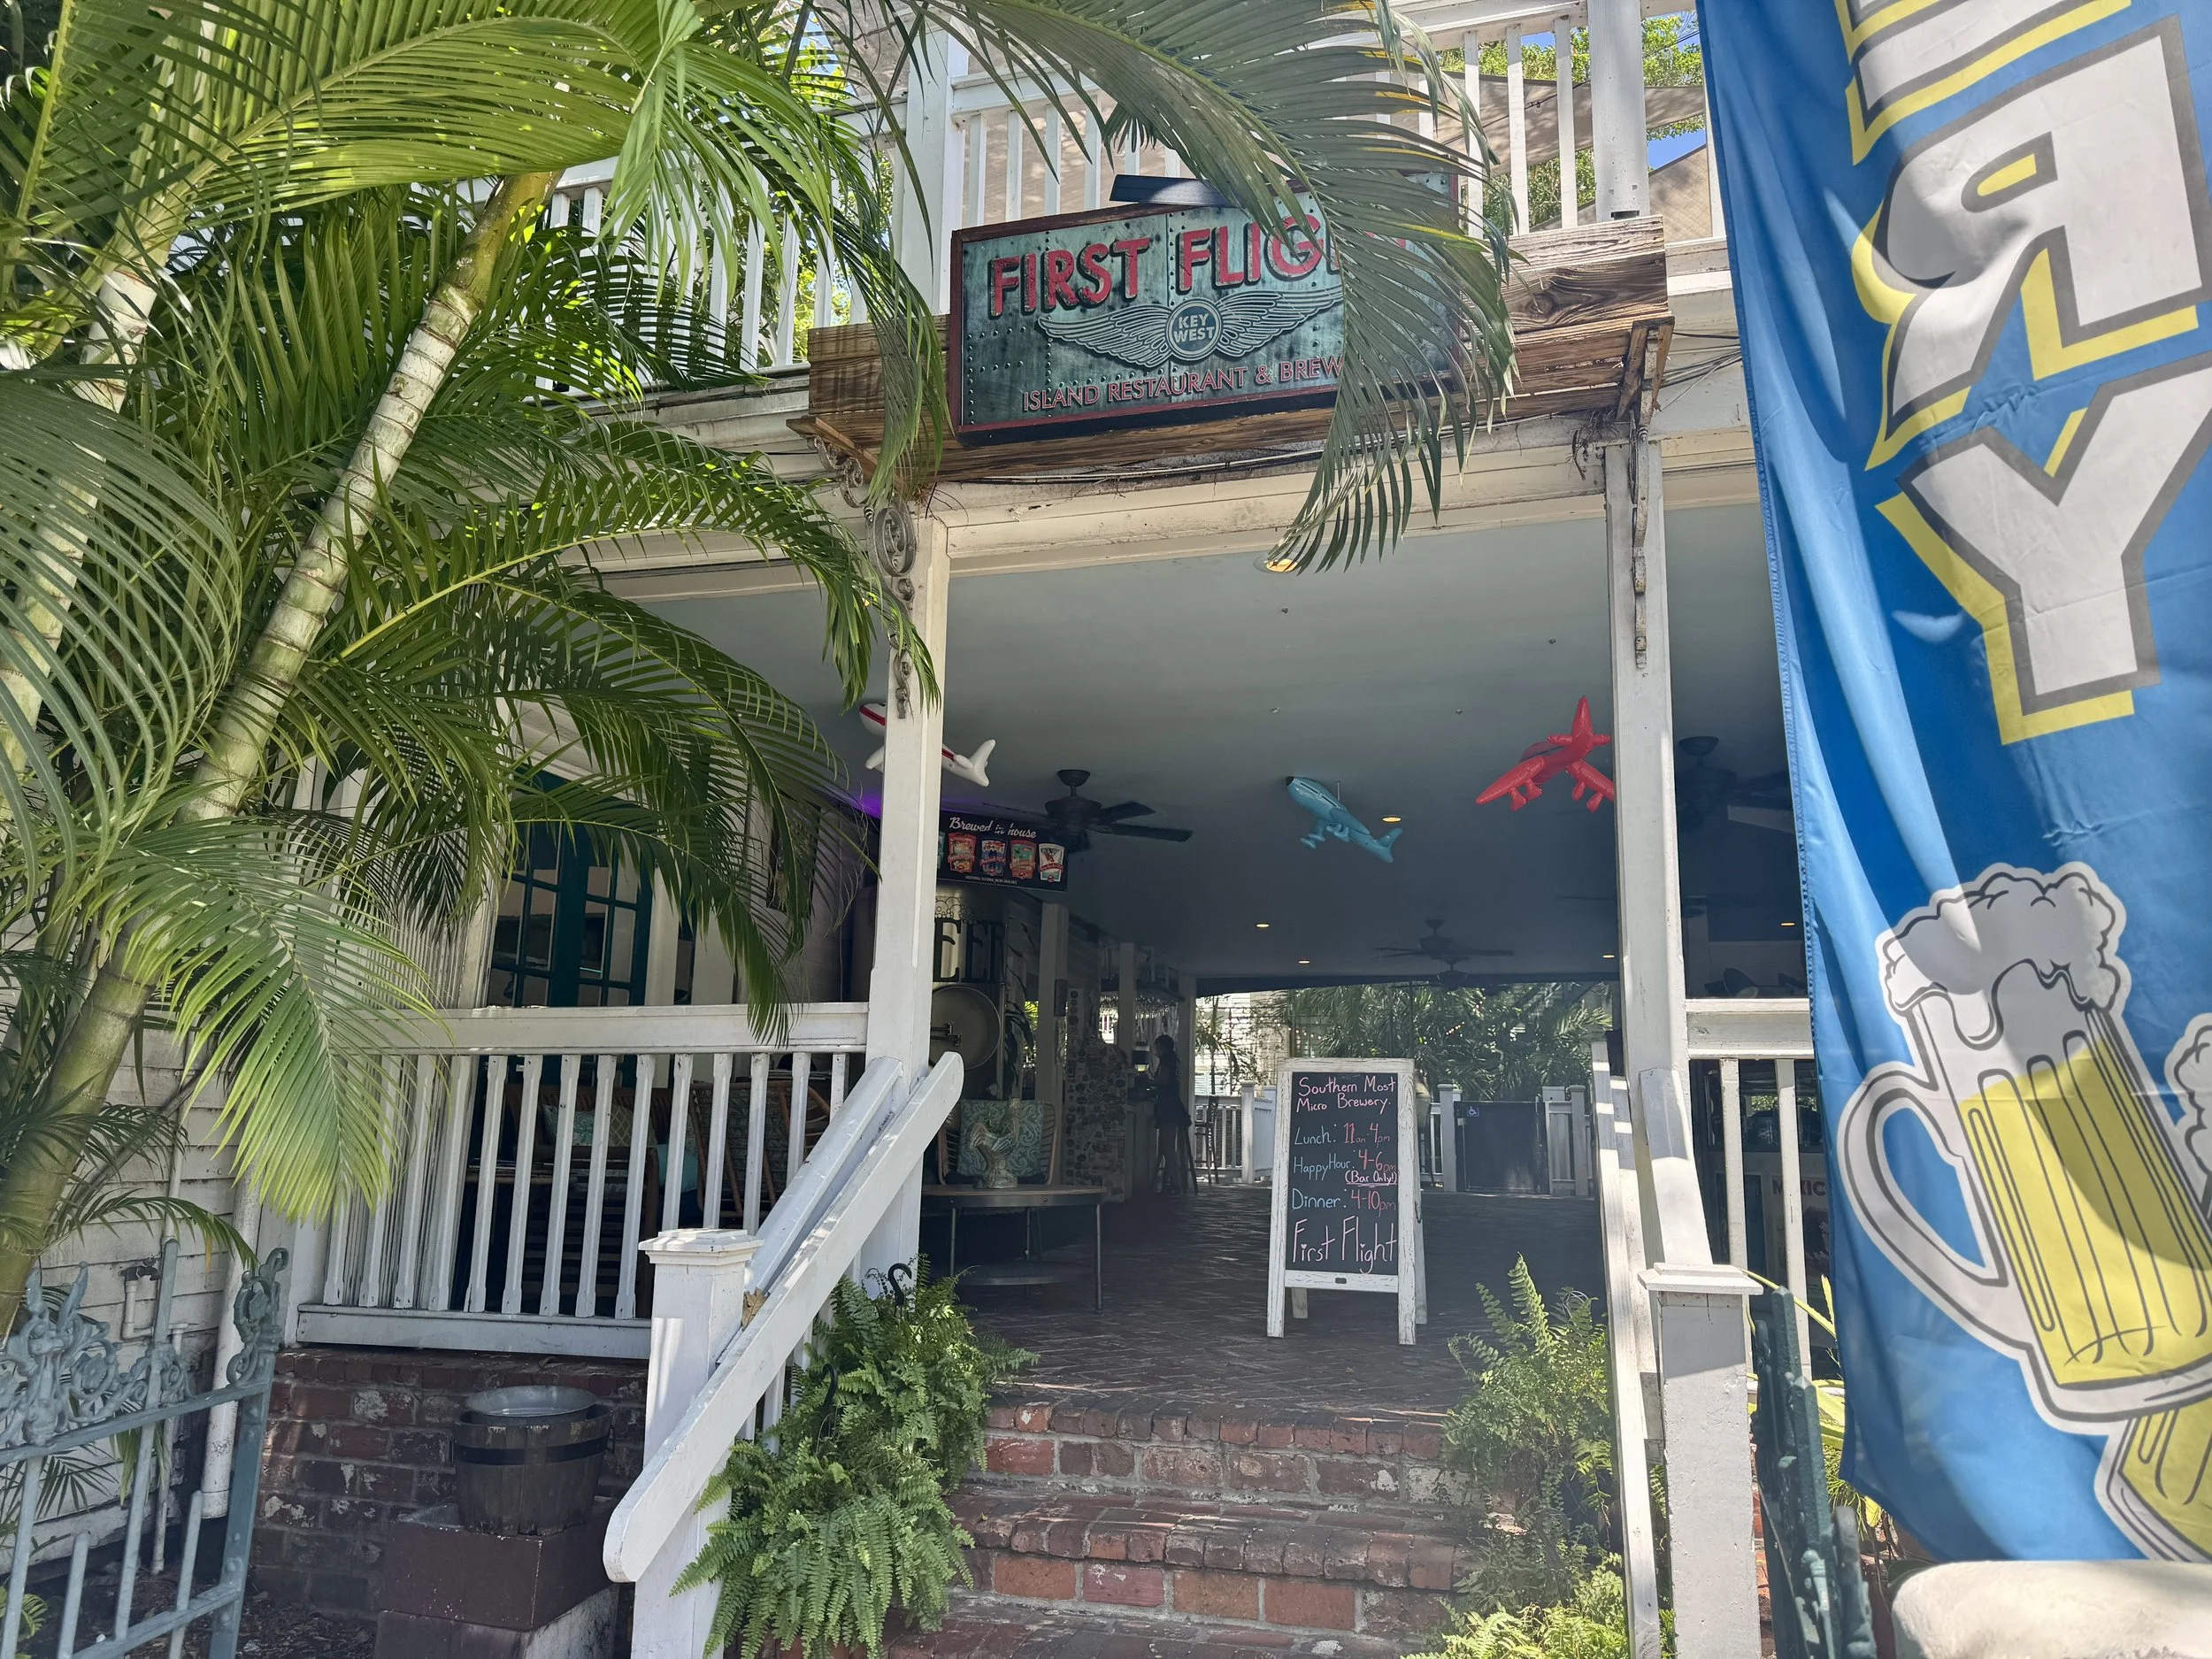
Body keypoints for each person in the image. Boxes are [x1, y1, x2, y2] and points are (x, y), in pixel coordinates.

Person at [1151, 1033, 1195, 1195]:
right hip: (1174, 1107)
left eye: (1157, 1047)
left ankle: (1175, 1183)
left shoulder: (1167, 1061)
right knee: (1168, 1146)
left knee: (1167, 1146)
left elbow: (1163, 1081)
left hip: (1168, 1108)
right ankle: (1173, 1180)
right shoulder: (1174, 1060)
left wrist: (1149, 1081)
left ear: (1162, 1047)